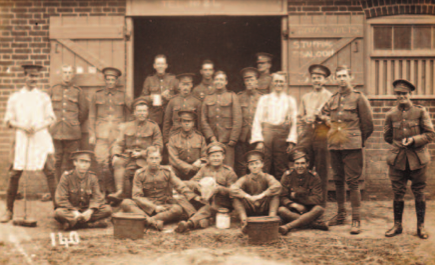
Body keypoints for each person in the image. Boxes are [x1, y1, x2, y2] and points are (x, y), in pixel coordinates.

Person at [1, 64, 57, 223]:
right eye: (30, 76)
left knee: (50, 172)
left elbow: (51, 118)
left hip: (40, 138)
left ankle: (59, 209)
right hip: (22, 138)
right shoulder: (15, 97)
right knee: (14, 174)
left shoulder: (43, 97)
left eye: (36, 76)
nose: (33, 79)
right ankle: (9, 211)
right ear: (24, 76)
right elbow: (8, 120)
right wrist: (22, 126)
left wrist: (38, 126)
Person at [321, 65, 374, 235]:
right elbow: (322, 113)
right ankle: (341, 215)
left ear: (351, 77)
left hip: (352, 145)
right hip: (335, 144)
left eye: (344, 76)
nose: (341, 79)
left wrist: (358, 140)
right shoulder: (333, 98)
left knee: (353, 182)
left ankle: (356, 220)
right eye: (339, 76)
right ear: (335, 79)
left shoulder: (359, 98)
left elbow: (368, 125)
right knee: (337, 180)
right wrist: (327, 121)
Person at [383, 80, 435, 239]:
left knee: (419, 192)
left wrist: (413, 140)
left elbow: (430, 135)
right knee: (398, 193)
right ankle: (397, 225)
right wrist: (399, 145)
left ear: (409, 94)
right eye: (398, 94)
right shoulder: (390, 114)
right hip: (397, 159)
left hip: (418, 159)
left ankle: (421, 227)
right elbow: (387, 136)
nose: (401, 97)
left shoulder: (420, 112)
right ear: (395, 95)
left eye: (404, 94)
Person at [119, 146, 196, 231]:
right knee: (126, 203)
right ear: (147, 159)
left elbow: (180, 185)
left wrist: (192, 196)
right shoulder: (140, 173)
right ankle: (154, 221)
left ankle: (147, 221)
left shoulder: (167, 171)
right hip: (146, 206)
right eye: (151, 158)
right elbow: (136, 196)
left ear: (160, 159)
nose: (154, 161)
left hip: (164, 206)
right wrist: (154, 207)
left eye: (156, 158)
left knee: (177, 209)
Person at [108, 97, 163, 204]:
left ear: (147, 113)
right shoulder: (127, 126)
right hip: (128, 156)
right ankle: (119, 191)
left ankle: (132, 196)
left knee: (136, 173)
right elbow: (118, 143)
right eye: (139, 111)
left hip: (146, 158)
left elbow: (158, 146)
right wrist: (115, 154)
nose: (141, 113)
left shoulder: (153, 126)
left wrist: (143, 153)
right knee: (118, 162)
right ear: (134, 113)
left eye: (144, 111)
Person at [174, 142, 238, 233]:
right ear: (208, 158)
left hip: (220, 203)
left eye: (218, 156)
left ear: (223, 157)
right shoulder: (204, 169)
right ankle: (202, 220)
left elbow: (233, 191)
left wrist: (219, 189)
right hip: (203, 199)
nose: (216, 159)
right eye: (213, 156)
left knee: (208, 208)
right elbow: (192, 182)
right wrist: (198, 186)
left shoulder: (228, 172)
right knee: (181, 196)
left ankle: (189, 224)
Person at [88, 67, 132, 196]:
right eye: (108, 80)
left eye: (113, 80)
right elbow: (92, 116)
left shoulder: (123, 96)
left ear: (116, 81)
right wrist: (92, 134)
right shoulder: (97, 95)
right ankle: (103, 191)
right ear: (105, 81)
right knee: (101, 162)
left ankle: (115, 192)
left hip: (117, 136)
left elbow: (132, 112)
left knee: (117, 163)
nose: (110, 82)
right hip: (101, 135)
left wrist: (126, 128)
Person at [296, 64, 333, 207]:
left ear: (325, 80)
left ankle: (321, 204)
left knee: (321, 168)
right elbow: (299, 117)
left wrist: (322, 117)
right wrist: (305, 120)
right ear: (311, 79)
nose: (317, 80)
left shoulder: (330, 97)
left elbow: (334, 121)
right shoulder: (306, 97)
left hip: (323, 133)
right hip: (307, 133)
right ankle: (304, 201)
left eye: (320, 78)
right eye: (314, 78)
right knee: (304, 167)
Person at [251, 72, 297, 179]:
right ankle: (265, 192)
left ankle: (281, 192)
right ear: (272, 83)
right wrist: (259, 140)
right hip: (267, 134)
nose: (278, 84)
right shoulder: (264, 99)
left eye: (281, 81)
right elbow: (257, 119)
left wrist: (291, 140)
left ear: (285, 83)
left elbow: (294, 122)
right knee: (265, 163)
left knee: (281, 164)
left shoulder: (290, 100)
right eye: (276, 81)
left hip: (282, 136)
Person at [49, 64, 89, 185]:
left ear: (73, 75)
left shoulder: (78, 92)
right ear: (61, 74)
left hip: (72, 133)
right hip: (55, 132)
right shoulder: (53, 89)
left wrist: (74, 123)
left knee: (70, 162)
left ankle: (68, 189)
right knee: (56, 162)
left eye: (69, 73)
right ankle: (56, 190)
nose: (67, 75)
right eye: (65, 72)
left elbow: (84, 111)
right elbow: (46, 110)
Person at [54, 151, 112, 231]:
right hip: (71, 210)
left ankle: (74, 224)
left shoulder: (92, 177)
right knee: (58, 213)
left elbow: (97, 197)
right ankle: (90, 224)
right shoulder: (66, 177)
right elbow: (61, 198)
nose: (84, 165)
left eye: (87, 162)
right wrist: (74, 211)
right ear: (75, 163)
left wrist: (90, 211)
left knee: (107, 209)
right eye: (81, 162)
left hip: (87, 210)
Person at [278, 151, 329, 236]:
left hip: (309, 210)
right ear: (293, 165)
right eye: (297, 164)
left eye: (302, 163)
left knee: (319, 209)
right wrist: (294, 205)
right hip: (293, 210)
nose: (300, 166)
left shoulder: (314, 177)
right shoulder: (287, 176)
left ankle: (288, 226)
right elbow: (282, 197)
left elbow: (317, 198)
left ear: (307, 164)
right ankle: (314, 224)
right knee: (281, 210)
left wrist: (298, 197)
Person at [231, 150, 281, 233]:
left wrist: (261, 196)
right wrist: (248, 197)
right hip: (251, 207)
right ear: (248, 167)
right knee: (235, 198)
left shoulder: (267, 177)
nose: (254, 167)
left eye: (257, 163)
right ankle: (244, 221)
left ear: (262, 164)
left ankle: (271, 219)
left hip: (264, 206)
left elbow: (277, 186)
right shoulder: (245, 178)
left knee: (275, 196)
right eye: (251, 164)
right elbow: (233, 189)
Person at [201, 70, 242, 167]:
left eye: (221, 79)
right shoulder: (208, 98)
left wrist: (233, 139)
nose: (219, 82)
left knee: (228, 167)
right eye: (216, 79)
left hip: (227, 140)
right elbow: (203, 120)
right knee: (211, 167)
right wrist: (211, 137)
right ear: (213, 82)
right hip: (212, 140)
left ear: (226, 82)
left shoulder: (232, 96)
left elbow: (237, 119)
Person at [235, 67, 262, 177]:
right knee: (241, 164)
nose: (249, 82)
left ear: (257, 81)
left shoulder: (262, 98)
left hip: (257, 137)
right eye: (247, 80)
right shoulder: (238, 97)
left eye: (252, 80)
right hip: (242, 135)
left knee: (256, 163)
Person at [168, 110, 207, 180]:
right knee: (169, 170)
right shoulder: (173, 138)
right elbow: (174, 159)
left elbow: (205, 156)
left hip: (197, 170)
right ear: (180, 123)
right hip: (179, 170)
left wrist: (200, 161)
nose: (186, 124)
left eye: (189, 121)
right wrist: (189, 168)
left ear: (193, 123)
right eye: (184, 121)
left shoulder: (200, 138)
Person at [163, 73, 202, 144]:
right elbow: (167, 122)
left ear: (191, 85)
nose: (185, 87)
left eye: (188, 84)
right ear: (179, 86)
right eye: (183, 84)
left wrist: (199, 139)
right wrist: (166, 141)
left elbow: (199, 124)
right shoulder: (172, 101)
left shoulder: (197, 102)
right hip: (175, 136)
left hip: (191, 137)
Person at [141, 54, 178, 129]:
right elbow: (142, 99)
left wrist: (170, 98)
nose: (160, 66)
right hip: (154, 117)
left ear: (166, 66)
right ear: (154, 66)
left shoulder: (173, 79)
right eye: (158, 64)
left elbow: (180, 96)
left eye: (162, 64)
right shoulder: (149, 80)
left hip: (170, 117)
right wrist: (159, 96)